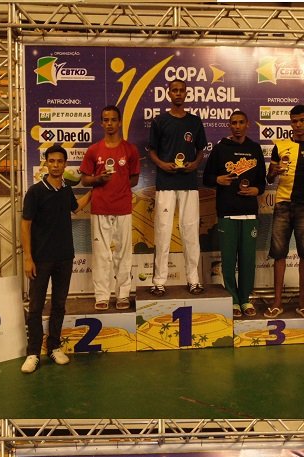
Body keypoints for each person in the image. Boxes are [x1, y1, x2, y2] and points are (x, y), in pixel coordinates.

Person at [202, 110, 266, 317]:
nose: (237, 126)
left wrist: (256, 190)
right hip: (227, 212)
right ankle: (233, 299)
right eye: (233, 123)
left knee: (247, 260)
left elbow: (262, 182)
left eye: (240, 122)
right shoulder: (221, 148)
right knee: (228, 261)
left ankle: (245, 299)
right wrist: (218, 180)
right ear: (229, 125)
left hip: (249, 214)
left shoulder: (254, 148)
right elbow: (206, 178)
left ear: (247, 124)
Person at [19, 144, 78, 373]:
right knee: (35, 306)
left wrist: (97, 190)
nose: (55, 165)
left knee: (59, 305)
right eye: (51, 161)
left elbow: (76, 208)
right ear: (46, 163)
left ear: (65, 164)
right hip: (40, 259)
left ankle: (54, 347)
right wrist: (28, 258)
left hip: (65, 257)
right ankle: (33, 353)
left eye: (59, 161)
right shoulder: (35, 191)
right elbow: (25, 225)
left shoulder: (67, 190)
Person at [147, 79, 207, 296]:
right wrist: (162, 164)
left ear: (186, 93)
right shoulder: (160, 121)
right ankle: (159, 281)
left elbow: (200, 150)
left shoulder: (194, 121)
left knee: (190, 231)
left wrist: (196, 164)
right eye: (175, 90)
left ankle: (193, 279)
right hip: (166, 183)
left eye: (182, 90)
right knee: (163, 231)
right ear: (169, 94)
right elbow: (151, 150)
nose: (178, 93)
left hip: (189, 183)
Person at [79, 105, 141, 311]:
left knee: (123, 253)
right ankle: (102, 295)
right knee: (101, 255)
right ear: (101, 123)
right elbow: (85, 180)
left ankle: (123, 294)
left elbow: (134, 179)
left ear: (119, 122)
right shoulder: (94, 150)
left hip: (123, 207)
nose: (110, 123)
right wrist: (99, 179)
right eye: (106, 120)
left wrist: (119, 186)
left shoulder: (130, 149)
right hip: (100, 207)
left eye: (113, 119)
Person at [265, 104, 304, 319]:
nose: (298, 125)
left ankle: (302, 302)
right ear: (290, 123)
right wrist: (273, 172)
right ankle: (277, 302)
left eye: (301, 121)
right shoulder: (280, 146)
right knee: (279, 253)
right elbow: (269, 177)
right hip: (282, 203)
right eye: (294, 121)